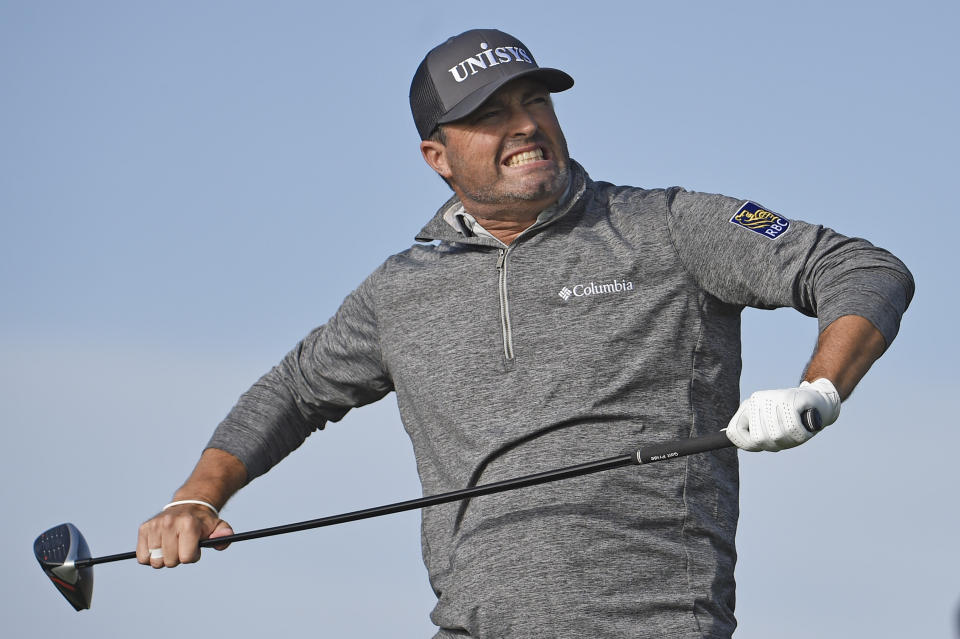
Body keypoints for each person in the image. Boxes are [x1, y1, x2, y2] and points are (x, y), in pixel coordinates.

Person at [136, 28, 914, 638]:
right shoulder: (399, 289)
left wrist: (819, 390)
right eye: (490, 115)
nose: (526, 125)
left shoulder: (667, 226)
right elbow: (295, 390)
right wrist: (197, 498)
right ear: (436, 156)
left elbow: (863, 269)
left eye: (534, 100)